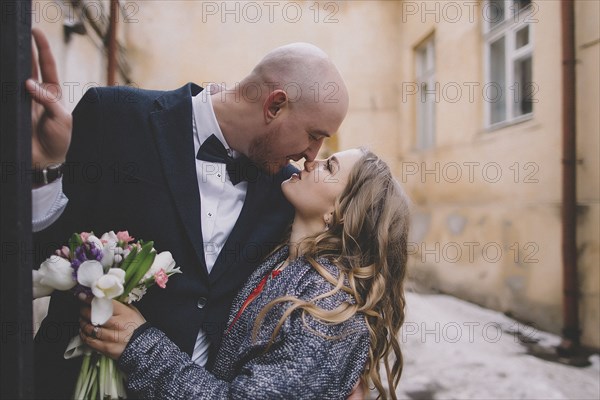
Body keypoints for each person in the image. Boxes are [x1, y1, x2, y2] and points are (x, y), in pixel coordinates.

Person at [27, 28, 350, 398]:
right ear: (274, 106)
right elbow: (37, 261)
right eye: (314, 134)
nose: (313, 154)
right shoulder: (114, 118)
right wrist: (45, 172)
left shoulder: (289, 192)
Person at [80, 148, 411, 399]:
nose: (311, 161)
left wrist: (140, 345)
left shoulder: (330, 314)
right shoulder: (281, 260)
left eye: (330, 167)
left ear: (338, 212)